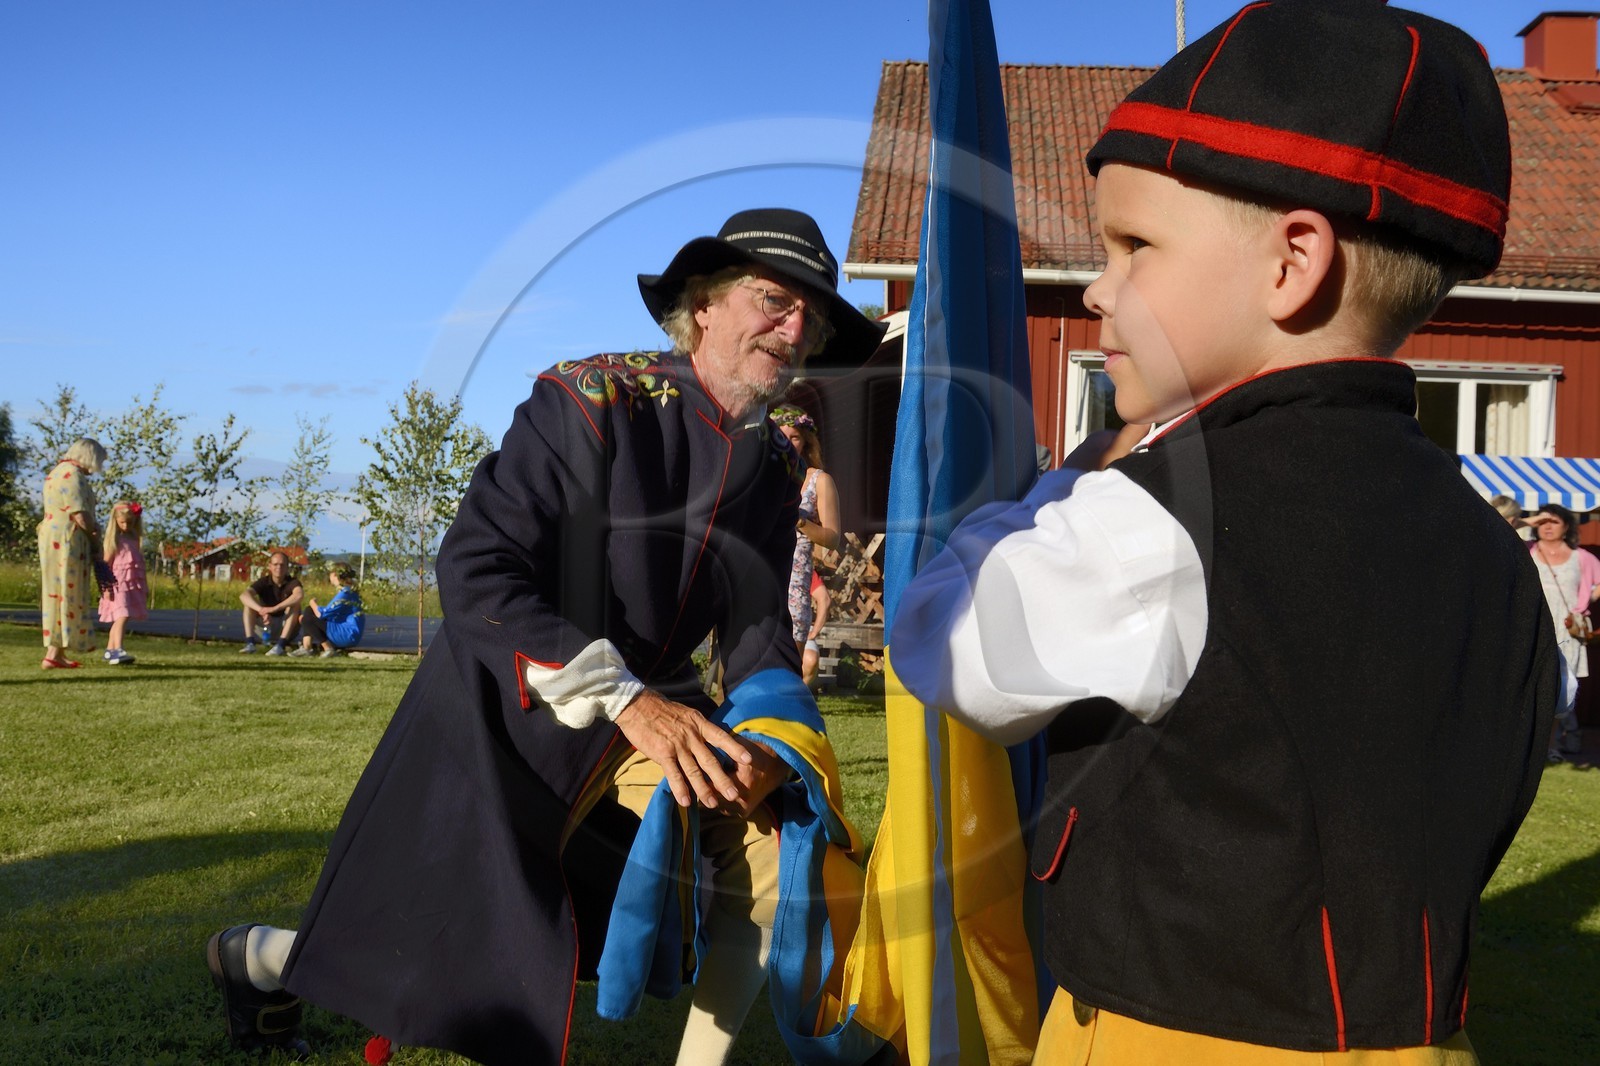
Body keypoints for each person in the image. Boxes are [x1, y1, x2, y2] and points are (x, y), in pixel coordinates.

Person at [889, 2, 1555, 1061]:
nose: (1099, 287)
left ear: (1291, 263)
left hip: (1172, 1035)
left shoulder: (1144, 521)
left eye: (1134, 245)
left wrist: (1056, 489)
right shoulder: (1491, 549)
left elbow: (943, 643)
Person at [205, 208, 885, 1064]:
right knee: (425, 957)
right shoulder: (589, 397)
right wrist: (628, 700)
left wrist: (777, 743)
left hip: (654, 723)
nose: (792, 330)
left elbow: (754, 628)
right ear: (705, 302)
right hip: (510, 716)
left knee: (776, 857)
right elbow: (478, 572)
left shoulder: (780, 454)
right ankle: (250, 958)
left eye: (808, 317)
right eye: (772, 301)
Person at [1525, 502, 1595, 761]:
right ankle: (1528, 743)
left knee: (1561, 688)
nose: (1547, 526)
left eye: (1554, 521)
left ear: (1567, 525)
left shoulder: (1581, 557)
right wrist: (1533, 519)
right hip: (1534, 627)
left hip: (1566, 632)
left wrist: (1586, 602)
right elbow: (1506, 526)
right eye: (1543, 521)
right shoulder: (1527, 550)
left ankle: (1550, 746)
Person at [771, 404, 841, 654]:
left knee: (790, 669)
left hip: (795, 580)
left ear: (806, 442)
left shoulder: (819, 480)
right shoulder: (761, 474)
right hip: (758, 572)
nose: (788, 442)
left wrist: (798, 520)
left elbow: (833, 539)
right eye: (781, 435)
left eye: (795, 437)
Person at [38, 437, 107, 669]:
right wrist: (95, 537)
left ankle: (55, 652)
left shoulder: (56, 473)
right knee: (69, 591)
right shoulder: (71, 475)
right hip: (68, 540)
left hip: (55, 537)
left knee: (58, 592)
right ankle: (55, 651)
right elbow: (80, 513)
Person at [97, 501, 149, 665]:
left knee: (122, 616)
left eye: (130, 522)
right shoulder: (114, 541)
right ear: (116, 522)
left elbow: (138, 565)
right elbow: (104, 565)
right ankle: (117, 649)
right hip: (117, 584)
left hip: (132, 584)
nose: (126, 526)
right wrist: (105, 587)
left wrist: (144, 585)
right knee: (122, 615)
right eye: (122, 522)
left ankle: (110, 650)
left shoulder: (134, 539)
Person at [289, 565, 365, 658]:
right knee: (309, 611)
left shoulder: (345, 593)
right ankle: (306, 647)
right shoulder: (350, 591)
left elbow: (322, 614)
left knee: (308, 618)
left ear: (335, 575)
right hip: (349, 633)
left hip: (346, 635)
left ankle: (328, 649)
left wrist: (312, 603)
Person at [238, 551, 303, 656]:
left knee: (295, 605)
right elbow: (244, 595)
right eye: (275, 564)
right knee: (248, 605)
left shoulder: (292, 582)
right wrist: (261, 610)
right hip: (265, 625)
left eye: (282, 565)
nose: (279, 567)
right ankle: (250, 643)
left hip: (285, 626)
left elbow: (299, 595)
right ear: (270, 566)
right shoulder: (264, 581)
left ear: (287, 567)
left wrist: (274, 609)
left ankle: (280, 646)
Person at [802, 570, 830, 689]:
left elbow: (824, 598)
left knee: (810, 659)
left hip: (800, 630)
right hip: (772, 629)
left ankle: (797, 695)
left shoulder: (803, 569)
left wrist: (814, 632)